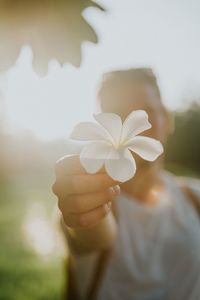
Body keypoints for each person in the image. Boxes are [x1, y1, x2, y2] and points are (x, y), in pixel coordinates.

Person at [53, 68, 200, 300]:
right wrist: (82, 210)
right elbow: (90, 229)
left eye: (148, 112)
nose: (135, 122)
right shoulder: (100, 199)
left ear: (168, 119)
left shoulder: (195, 198)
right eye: (121, 113)